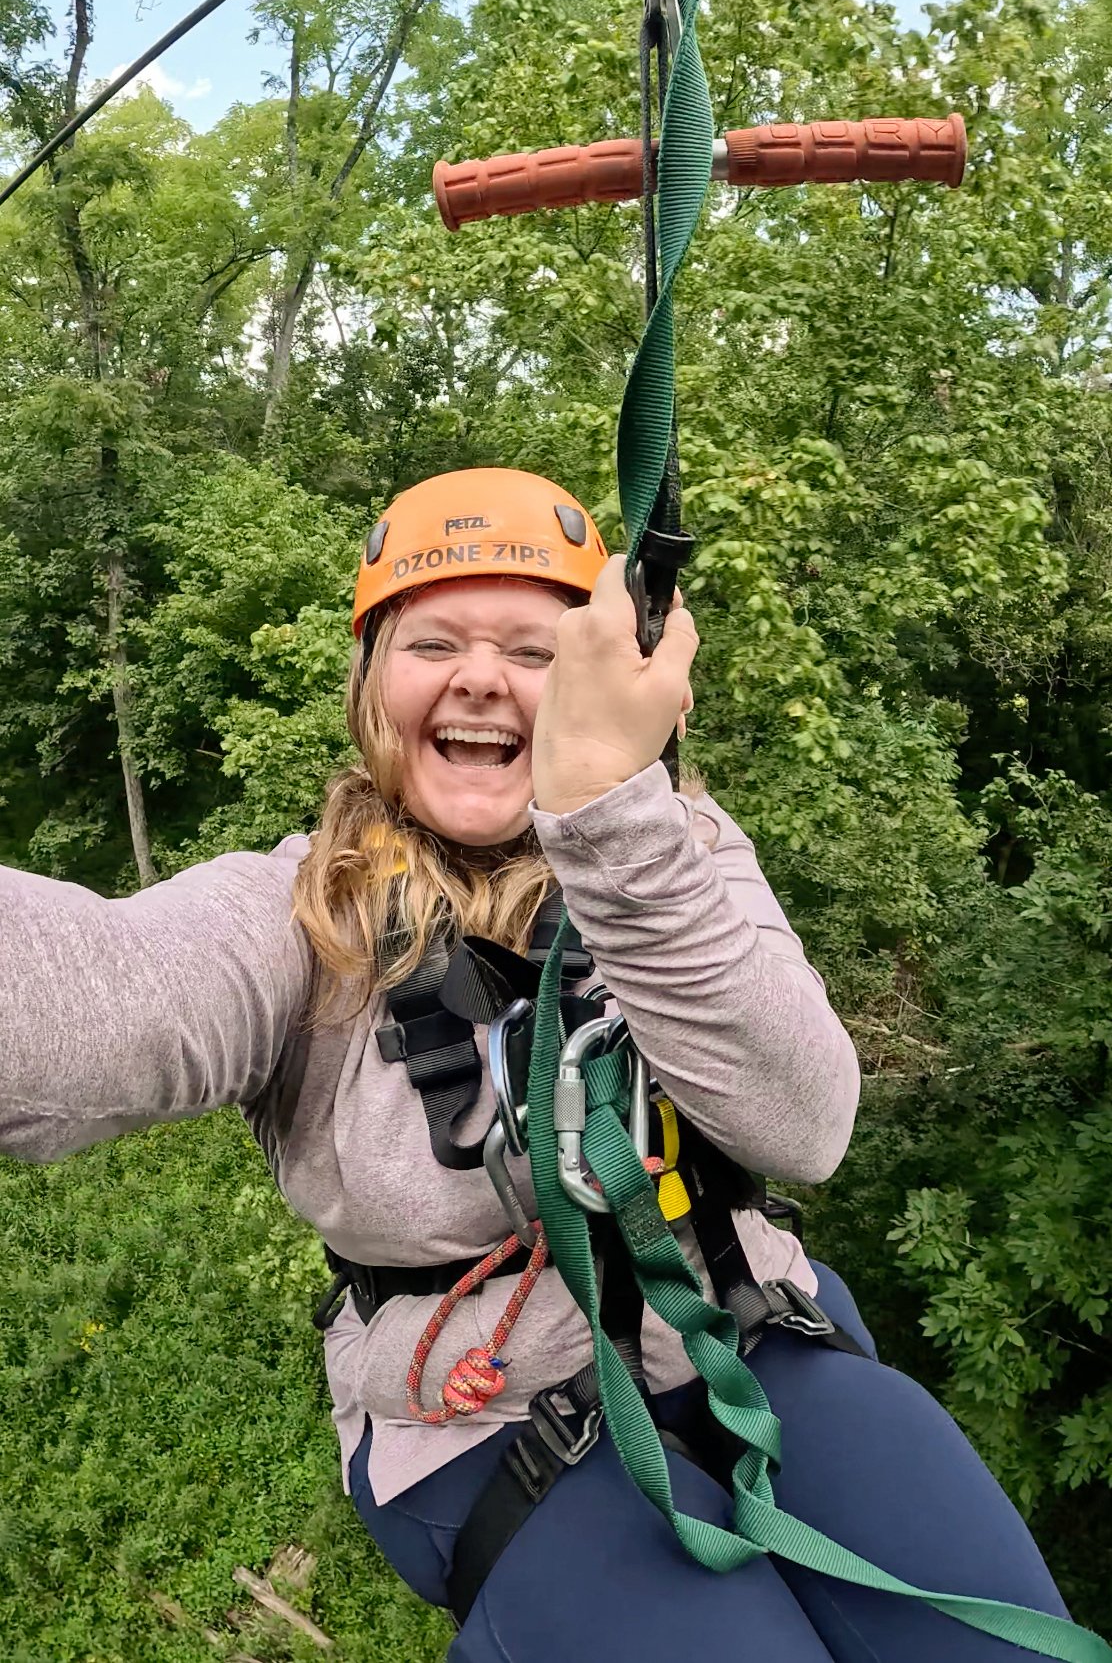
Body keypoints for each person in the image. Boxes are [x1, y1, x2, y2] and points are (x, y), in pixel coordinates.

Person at [0, 468, 1073, 1661]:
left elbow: (804, 1124)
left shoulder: (683, 853)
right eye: (435, 642)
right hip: (486, 1419)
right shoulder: (300, 919)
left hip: (742, 1330)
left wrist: (615, 814)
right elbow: (82, 995)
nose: (479, 677)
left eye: (532, 647)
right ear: (373, 690)